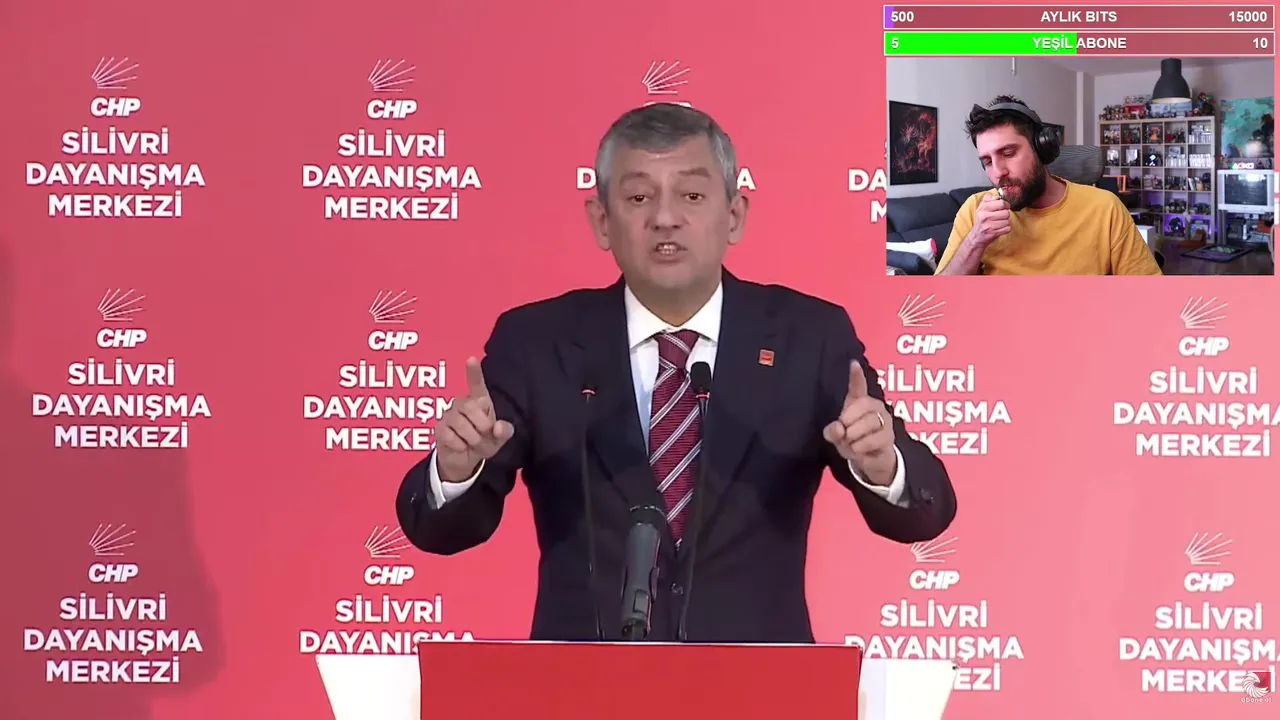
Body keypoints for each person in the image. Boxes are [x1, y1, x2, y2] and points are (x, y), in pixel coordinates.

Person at [395, 103, 956, 643]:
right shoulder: (538, 343)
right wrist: (456, 469)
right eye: (639, 197)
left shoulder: (808, 337)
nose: (665, 218)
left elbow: (925, 514)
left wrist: (882, 465)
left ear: (733, 215)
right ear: (601, 221)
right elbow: (441, 530)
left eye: (691, 195)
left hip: (759, 688)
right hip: (583, 687)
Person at [935, 95, 1162, 276]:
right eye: (987, 161)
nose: (998, 171)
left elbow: (1148, 298)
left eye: (1008, 153)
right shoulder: (974, 212)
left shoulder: (1105, 208)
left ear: (1041, 149)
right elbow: (939, 299)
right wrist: (976, 241)